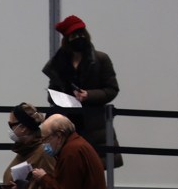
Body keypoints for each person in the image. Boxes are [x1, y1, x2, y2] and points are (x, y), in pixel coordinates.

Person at [43, 15, 121, 169]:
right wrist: (58, 97)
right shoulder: (59, 63)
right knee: (67, 168)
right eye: (73, 35)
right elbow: (51, 93)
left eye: (81, 34)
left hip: (93, 124)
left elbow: (112, 89)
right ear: (67, 39)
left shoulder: (100, 59)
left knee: (93, 169)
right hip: (67, 123)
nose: (79, 38)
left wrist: (89, 95)